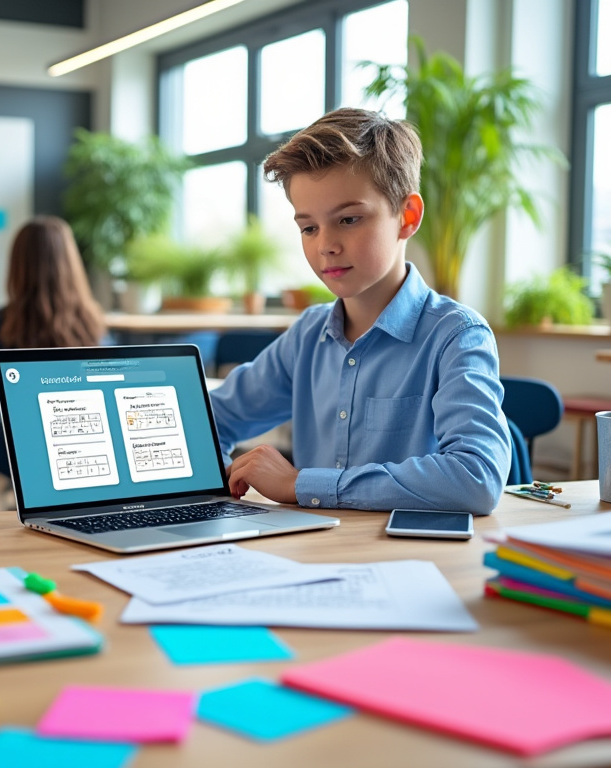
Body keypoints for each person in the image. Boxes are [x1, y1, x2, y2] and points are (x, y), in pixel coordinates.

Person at [210, 108, 511, 514]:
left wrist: (301, 483)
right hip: (311, 554)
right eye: (308, 227)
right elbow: (213, 419)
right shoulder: (308, 334)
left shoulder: (456, 335)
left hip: (406, 563)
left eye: (348, 219)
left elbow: (476, 478)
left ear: (407, 217)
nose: (325, 246)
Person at [0, 215, 106, 476]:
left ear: (19, 265)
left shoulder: (11, 319)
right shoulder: (92, 319)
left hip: (33, 437)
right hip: (86, 435)